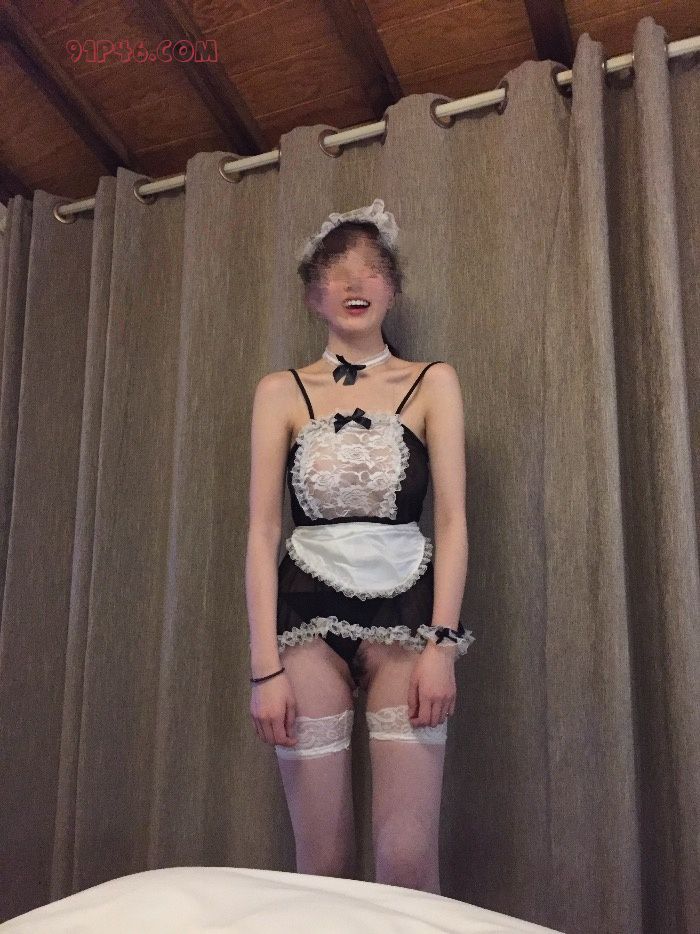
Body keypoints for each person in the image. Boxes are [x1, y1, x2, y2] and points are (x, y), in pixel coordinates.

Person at [245, 198, 475, 895]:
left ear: (392, 289)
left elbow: (454, 521)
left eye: (372, 268)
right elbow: (261, 532)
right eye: (337, 270)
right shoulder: (280, 391)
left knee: (407, 859)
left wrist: (441, 647)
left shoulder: (433, 382)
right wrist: (263, 671)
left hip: (406, 612)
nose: (355, 281)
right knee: (321, 863)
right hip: (304, 616)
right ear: (313, 295)